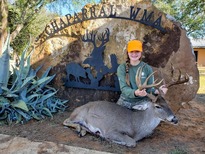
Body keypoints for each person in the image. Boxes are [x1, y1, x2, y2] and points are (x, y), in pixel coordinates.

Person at [117, 40, 168, 109]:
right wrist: (135, 92)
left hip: (142, 101)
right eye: (131, 51)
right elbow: (124, 88)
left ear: (141, 53)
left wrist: (158, 91)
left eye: (137, 51)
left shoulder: (147, 68)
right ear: (128, 53)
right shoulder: (122, 68)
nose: (134, 54)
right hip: (126, 101)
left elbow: (149, 89)